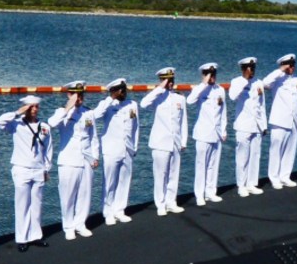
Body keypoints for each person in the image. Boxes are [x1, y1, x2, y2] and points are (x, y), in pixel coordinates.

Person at [0, 95, 53, 249]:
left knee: (37, 204)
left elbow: (48, 149)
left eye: (36, 107)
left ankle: (35, 235)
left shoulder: (44, 126)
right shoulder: (16, 124)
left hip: (38, 169)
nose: (34, 110)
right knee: (22, 204)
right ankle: (22, 238)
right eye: (30, 107)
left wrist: (46, 168)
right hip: (21, 168)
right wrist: (17, 112)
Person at [48, 81, 98, 240]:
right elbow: (51, 124)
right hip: (69, 160)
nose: (80, 98)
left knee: (85, 193)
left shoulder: (88, 113)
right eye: (76, 95)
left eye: (81, 95)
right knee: (68, 195)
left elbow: (93, 137)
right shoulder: (61, 112)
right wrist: (68, 108)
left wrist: (95, 156)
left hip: (86, 159)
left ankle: (80, 223)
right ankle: (68, 226)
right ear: (69, 95)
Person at [144, 68, 189, 215]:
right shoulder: (157, 97)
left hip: (175, 142)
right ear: (163, 80)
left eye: (172, 80)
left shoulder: (179, 98)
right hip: (160, 143)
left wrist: (183, 141)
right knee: (160, 175)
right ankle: (161, 204)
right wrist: (159, 88)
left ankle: (171, 201)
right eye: (167, 80)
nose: (171, 83)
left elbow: (183, 121)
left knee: (173, 174)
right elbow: (144, 103)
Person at [93, 78, 139, 224]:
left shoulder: (132, 105)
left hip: (127, 149)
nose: (123, 93)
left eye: (124, 90)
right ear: (114, 91)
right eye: (120, 91)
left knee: (124, 181)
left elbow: (136, 127)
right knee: (110, 182)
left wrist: (134, 147)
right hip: (111, 149)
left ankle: (120, 210)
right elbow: (95, 116)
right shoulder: (107, 104)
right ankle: (108, 212)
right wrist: (110, 98)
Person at [262, 55, 297, 190]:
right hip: (279, 120)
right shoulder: (277, 80)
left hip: (294, 120)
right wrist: (280, 70)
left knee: (290, 150)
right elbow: (265, 83)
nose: (291, 67)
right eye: (288, 65)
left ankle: (285, 176)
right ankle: (274, 178)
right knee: (276, 150)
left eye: (292, 65)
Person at [188, 63, 227, 204]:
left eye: (214, 74)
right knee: (201, 165)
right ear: (204, 75)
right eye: (209, 74)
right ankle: (199, 194)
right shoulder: (199, 90)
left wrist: (223, 130)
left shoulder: (220, 90)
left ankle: (210, 192)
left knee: (213, 165)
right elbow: (190, 101)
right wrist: (203, 84)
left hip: (216, 134)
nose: (212, 77)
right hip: (203, 134)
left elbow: (223, 112)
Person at [227, 57, 266, 196]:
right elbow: (232, 96)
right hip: (243, 125)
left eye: (254, 68)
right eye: (250, 68)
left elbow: (261, 105)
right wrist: (245, 79)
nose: (252, 71)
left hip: (257, 126)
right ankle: (241, 185)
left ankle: (251, 184)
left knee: (255, 156)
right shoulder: (237, 82)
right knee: (242, 157)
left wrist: (264, 125)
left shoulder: (259, 83)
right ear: (244, 69)